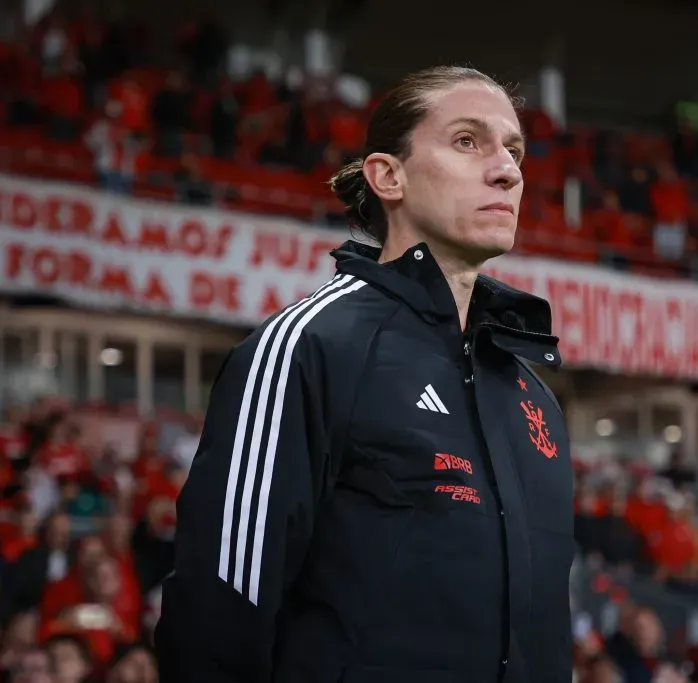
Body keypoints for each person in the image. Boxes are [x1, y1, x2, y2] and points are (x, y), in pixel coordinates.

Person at [155, 66, 573, 683]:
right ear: (387, 176)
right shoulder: (308, 347)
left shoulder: (533, 396)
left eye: (514, 151)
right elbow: (216, 614)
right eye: (467, 140)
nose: (507, 170)